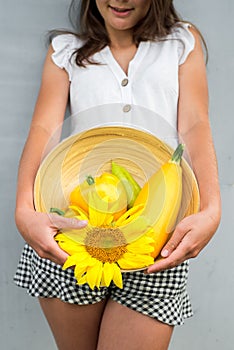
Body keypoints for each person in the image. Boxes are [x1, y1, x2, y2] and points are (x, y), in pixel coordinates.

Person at [14, 1, 221, 349]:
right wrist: (24, 213)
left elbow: (196, 124)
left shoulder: (181, 44)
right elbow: (43, 129)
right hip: (74, 232)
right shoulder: (66, 52)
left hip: (158, 240)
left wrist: (212, 210)